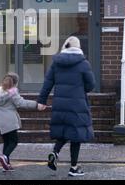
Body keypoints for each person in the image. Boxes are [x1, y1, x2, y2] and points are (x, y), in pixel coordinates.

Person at [37, 36, 95, 177]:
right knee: (76, 135)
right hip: (77, 104)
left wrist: (42, 100)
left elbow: (48, 83)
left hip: (60, 104)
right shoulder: (83, 63)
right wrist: (82, 90)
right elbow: (91, 84)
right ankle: (73, 167)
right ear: (78, 47)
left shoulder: (56, 63)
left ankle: (55, 152)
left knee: (64, 131)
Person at [0, 72, 45, 172]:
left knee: (6, 142)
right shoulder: (12, 93)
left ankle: (7, 164)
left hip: (0, 122)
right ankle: (5, 157)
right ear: (15, 83)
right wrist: (36, 105)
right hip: (10, 121)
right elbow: (21, 103)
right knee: (13, 142)